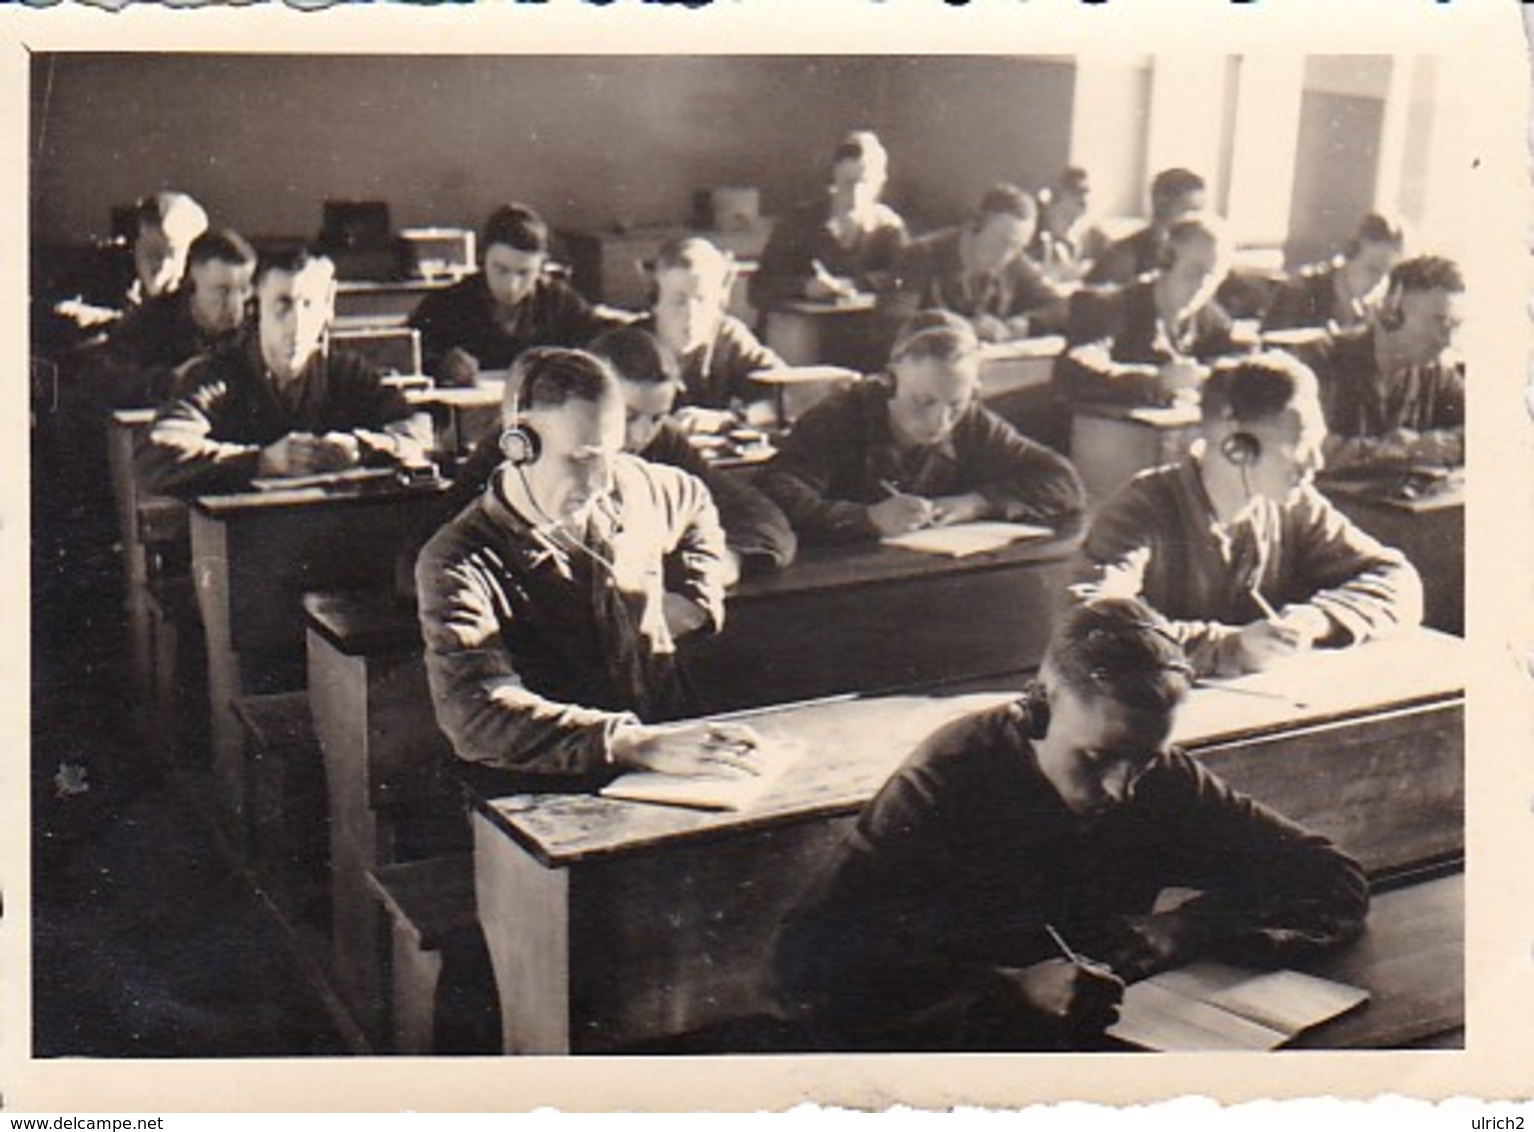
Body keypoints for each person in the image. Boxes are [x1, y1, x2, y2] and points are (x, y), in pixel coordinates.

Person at [774, 596, 1369, 1051]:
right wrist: (1010, 987)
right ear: (1041, 706)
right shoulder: (949, 779)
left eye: (1143, 759)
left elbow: (1330, 876)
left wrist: (1190, 928)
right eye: (1096, 760)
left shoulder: (1156, 772)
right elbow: (807, 964)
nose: (1121, 789)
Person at [416, 346, 759, 778]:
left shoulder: (631, 486)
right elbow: (477, 712)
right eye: (580, 459)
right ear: (519, 445)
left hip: (671, 763)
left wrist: (697, 596)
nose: (598, 483)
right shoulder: (457, 560)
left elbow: (694, 501)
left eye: (608, 455)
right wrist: (629, 742)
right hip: (549, 787)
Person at [1081, 353, 1423, 678]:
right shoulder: (1140, 509)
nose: (1317, 463)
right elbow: (1090, 628)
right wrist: (1229, 647)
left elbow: (1396, 577)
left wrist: (1318, 619)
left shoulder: (1295, 506)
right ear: (1237, 446)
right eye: (1302, 445)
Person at [427, 326, 796, 581]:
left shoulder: (661, 440)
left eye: (656, 417)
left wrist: (724, 563)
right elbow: (430, 553)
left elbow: (763, 521)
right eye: (628, 416)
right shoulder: (520, 441)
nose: (640, 436)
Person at [757, 311, 1085, 544]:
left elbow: (1062, 481)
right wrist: (866, 518)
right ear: (891, 380)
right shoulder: (840, 417)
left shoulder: (974, 421)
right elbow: (774, 492)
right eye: (922, 402)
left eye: (955, 405)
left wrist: (975, 503)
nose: (939, 423)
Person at [136, 247, 430, 496]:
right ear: (256, 308)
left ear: (328, 308)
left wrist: (362, 448)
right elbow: (156, 453)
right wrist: (262, 462)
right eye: (283, 305)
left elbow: (417, 428)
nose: (297, 323)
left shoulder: (345, 371)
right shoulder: (216, 376)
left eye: (309, 304)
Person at [1289, 255, 1465, 472]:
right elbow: (1299, 444)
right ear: (1392, 312)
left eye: (1454, 327)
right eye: (1439, 322)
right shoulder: (1320, 360)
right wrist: (1395, 451)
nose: (1447, 340)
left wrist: (1450, 444)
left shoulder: (1436, 372)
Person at [409, 203, 613, 386]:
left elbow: (599, 341)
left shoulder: (558, 301)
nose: (512, 286)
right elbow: (406, 355)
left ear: (541, 267)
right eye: (501, 269)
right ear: (482, 258)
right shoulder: (447, 304)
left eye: (524, 273)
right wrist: (440, 365)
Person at [1055, 214, 1242, 408]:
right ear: (1166, 261)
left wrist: (1215, 376)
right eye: (1193, 271)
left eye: (1212, 275)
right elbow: (1077, 373)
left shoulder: (1210, 319)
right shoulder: (1111, 307)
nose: (1201, 285)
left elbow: (1237, 359)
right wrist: (1156, 381)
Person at [87, 227, 257, 410]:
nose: (236, 306)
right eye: (222, 291)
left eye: (243, 290)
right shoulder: (151, 321)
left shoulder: (260, 321)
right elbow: (104, 385)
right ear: (191, 285)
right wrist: (170, 380)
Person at [749, 130, 908, 309]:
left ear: (880, 182)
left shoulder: (888, 228)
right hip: (804, 328)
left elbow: (904, 284)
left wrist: (853, 285)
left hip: (864, 328)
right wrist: (805, 287)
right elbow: (759, 288)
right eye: (849, 183)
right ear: (835, 175)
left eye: (864, 183)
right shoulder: (798, 222)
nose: (855, 195)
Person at [891, 183, 1069, 341]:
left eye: (1018, 246)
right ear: (975, 226)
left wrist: (1023, 325)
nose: (1005, 256)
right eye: (1000, 242)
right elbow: (893, 321)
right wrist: (965, 329)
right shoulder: (920, 255)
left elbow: (1060, 307)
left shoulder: (1014, 262)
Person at [632, 236, 785, 420]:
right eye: (679, 301)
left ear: (720, 302)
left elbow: (785, 396)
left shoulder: (729, 338)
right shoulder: (627, 346)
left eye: (702, 300)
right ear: (655, 300)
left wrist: (726, 419)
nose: (691, 314)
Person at [48, 190, 211, 340]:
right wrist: (103, 319)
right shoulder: (100, 266)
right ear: (138, 239)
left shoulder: (193, 290)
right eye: (154, 253)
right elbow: (60, 309)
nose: (163, 265)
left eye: (174, 255)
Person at [1262, 212, 1406, 334]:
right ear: (1363, 244)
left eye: (1382, 276)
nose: (1374, 283)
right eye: (1372, 271)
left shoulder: (1374, 313)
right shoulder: (1299, 291)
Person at [1086, 168, 1207, 287]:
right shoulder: (1123, 257)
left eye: (1199, 212)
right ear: (1162, 203)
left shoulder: (1196, 256)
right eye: (1189, 211)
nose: (1197, 221)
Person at [1029, 166, 1103, 286]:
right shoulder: (1028, 240)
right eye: (1066, 217)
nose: (1071, 224)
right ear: (1048, 205)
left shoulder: (1089, 239)